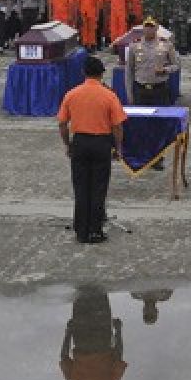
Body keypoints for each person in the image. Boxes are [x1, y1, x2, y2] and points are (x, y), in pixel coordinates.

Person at [57, 56, 127, 245]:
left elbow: (62, 123)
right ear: (102, 74)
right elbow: (118, 126)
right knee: (98, 188)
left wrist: (68, 144)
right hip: (101, 143)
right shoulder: (109, 96)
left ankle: (81, 230)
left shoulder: (72, 94)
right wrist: (117, 147)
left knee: (80, 188)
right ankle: (95, 230)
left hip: (80, 142)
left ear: (83, 73)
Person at [60, 285, 126, 380]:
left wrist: (118, 330)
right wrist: (69, 331)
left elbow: (118, 356)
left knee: (99, 291)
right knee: (81, 291)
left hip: (102, 337)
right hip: (80, 337)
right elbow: (63, 356)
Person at [125, 18, 179, 108]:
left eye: (151, 27)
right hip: (140, 89)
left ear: (157, 28)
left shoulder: (166, 44)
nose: (149, 30)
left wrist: (165, 70)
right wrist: (129, 93)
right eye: (146, 27)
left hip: (160, 89)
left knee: (161, 119)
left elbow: (176, 65)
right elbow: (129, 70)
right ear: (143, 28)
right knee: (141, 120)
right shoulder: (134, 45)